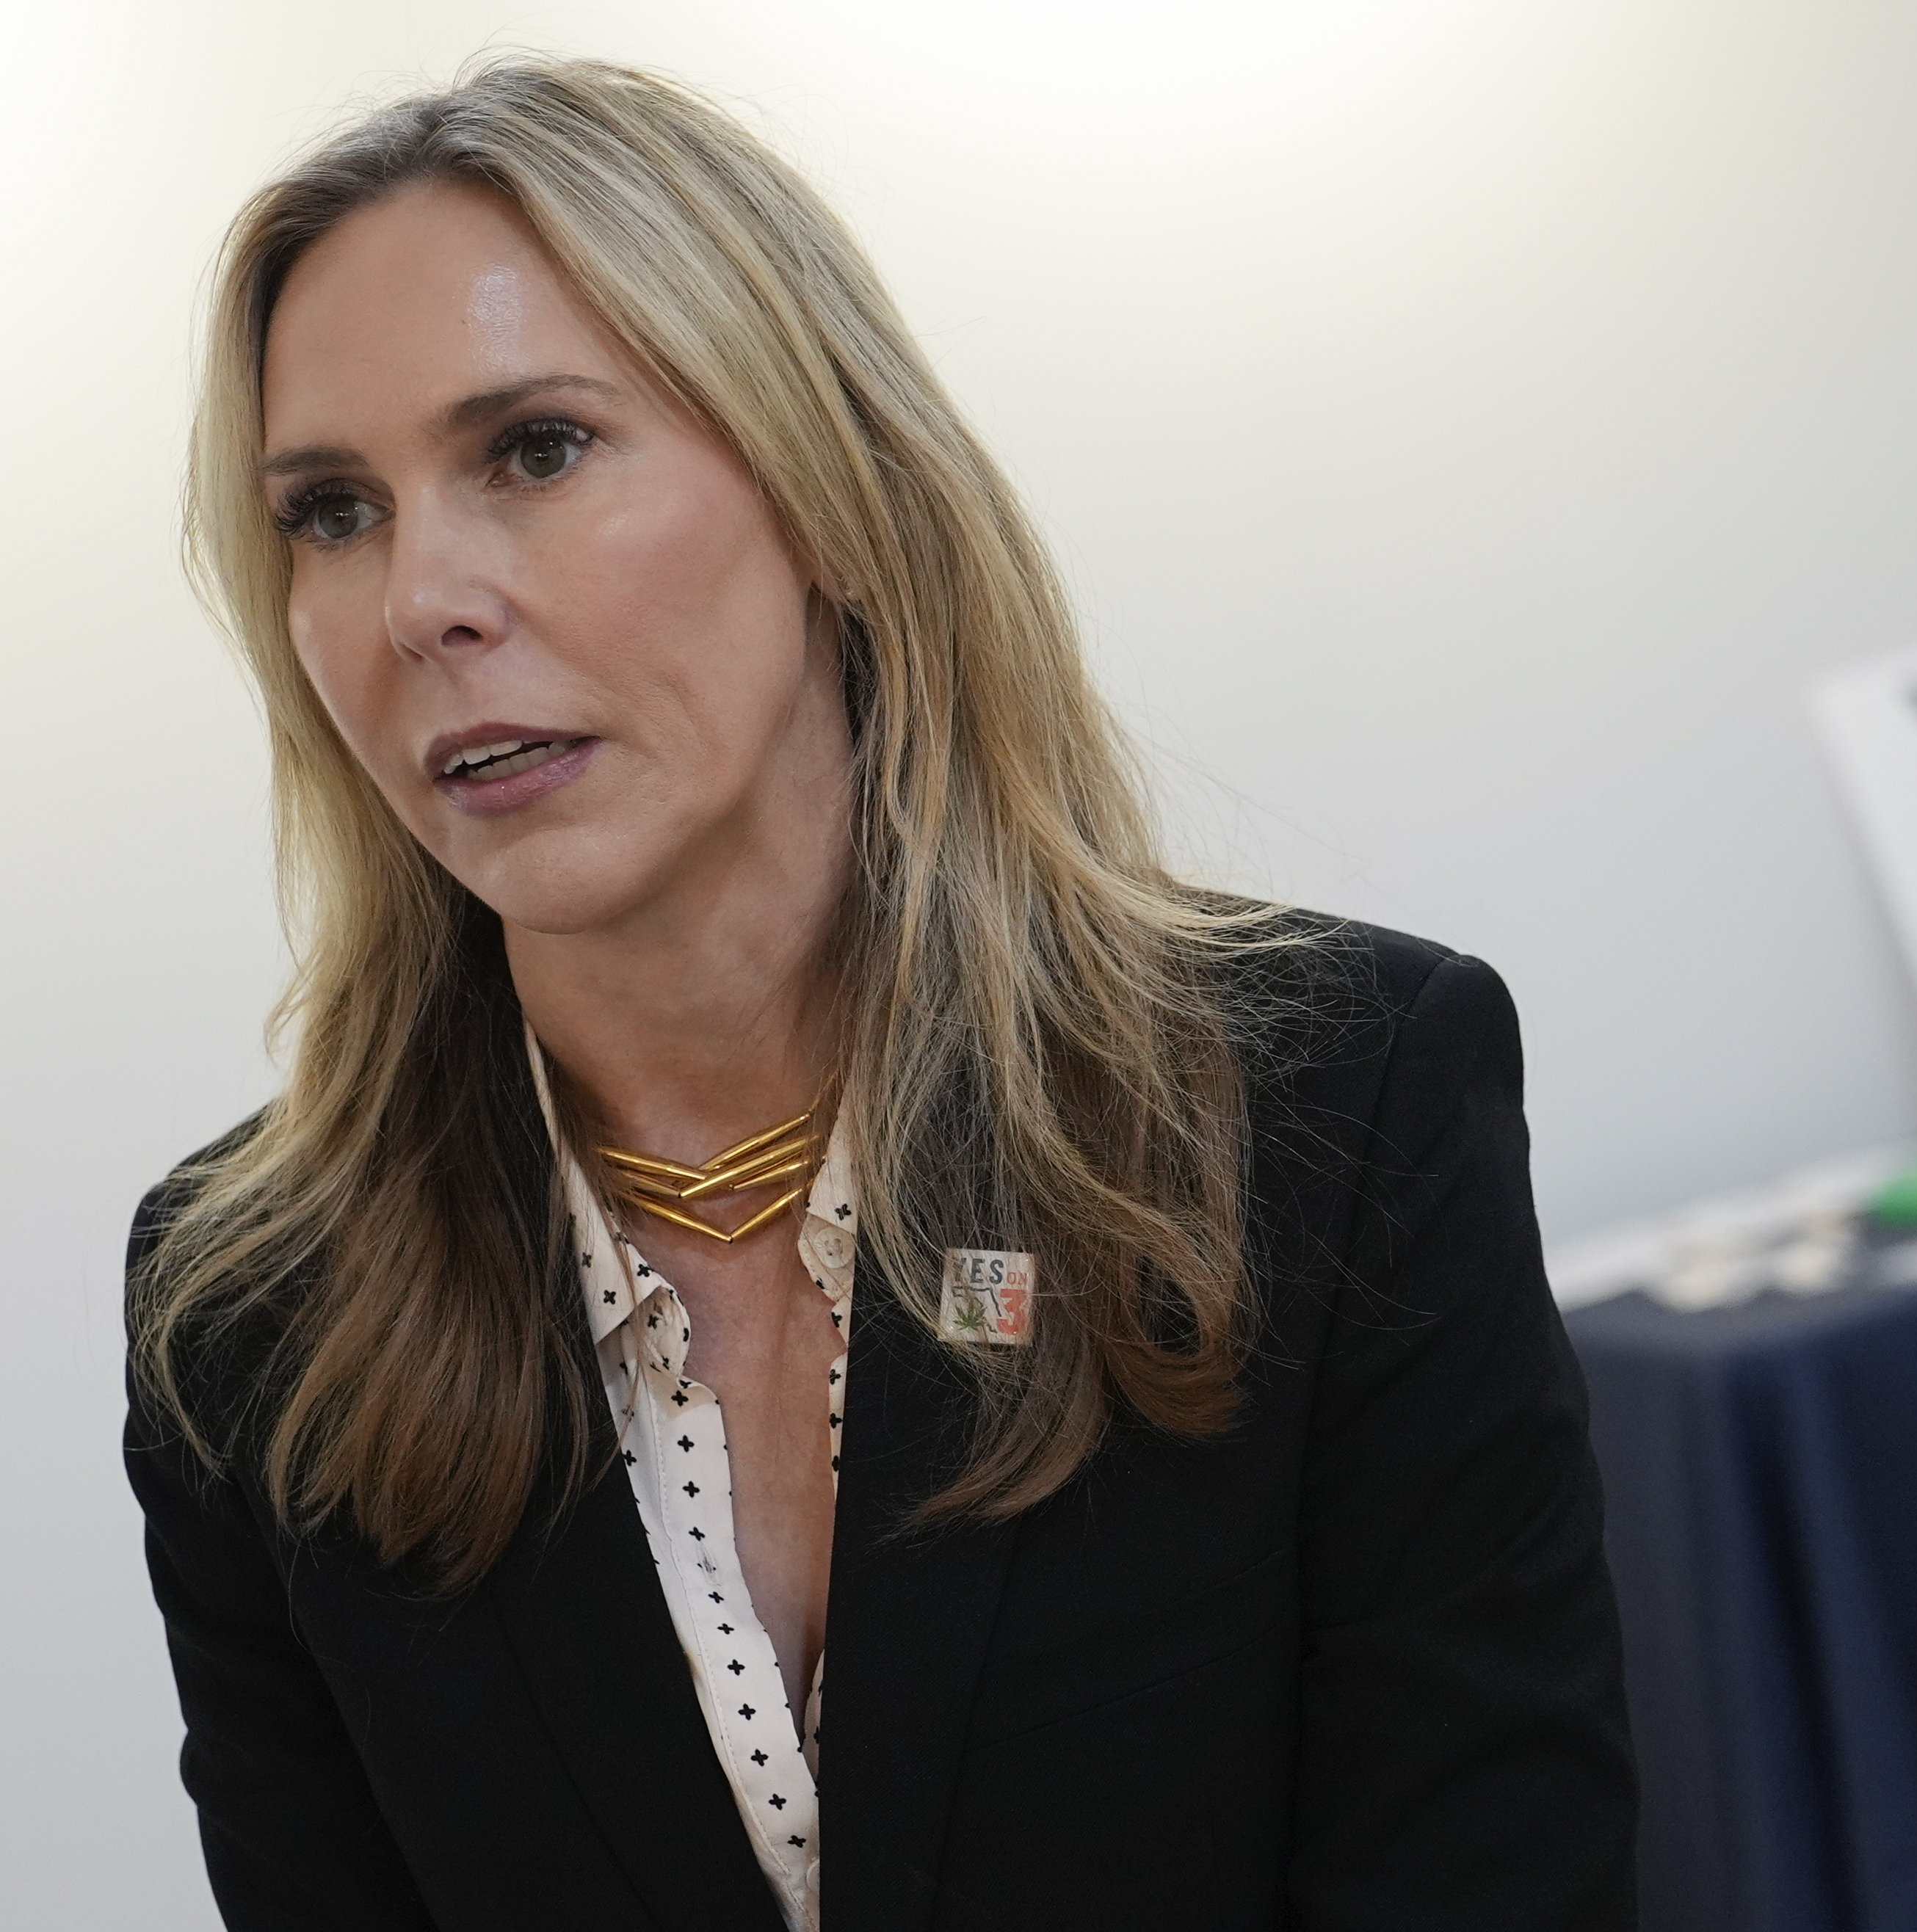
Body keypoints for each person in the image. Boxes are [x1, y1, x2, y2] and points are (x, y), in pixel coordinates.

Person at [123, 54, 1635, 1932]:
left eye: (534, 448)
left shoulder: (1328, 1104)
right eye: (332, 511)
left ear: (828, 487)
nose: (421, 594)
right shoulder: (251, 1313)